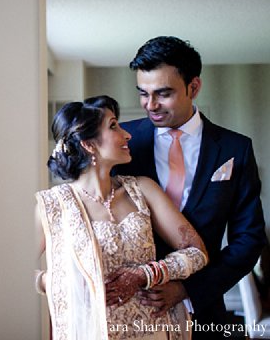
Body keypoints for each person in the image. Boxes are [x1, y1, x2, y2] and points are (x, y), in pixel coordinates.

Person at [114, 36, 267, 338]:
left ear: (194, 87)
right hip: (129, 314)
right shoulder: (121, 143)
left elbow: (249, 238)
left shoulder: (235, 149)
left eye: (163, 93)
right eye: (143, 94)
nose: (150, 105)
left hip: (205, 311)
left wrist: (188, 289)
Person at [35, 95, 208, 340]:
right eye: (113, 125)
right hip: (93, 331)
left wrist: (146, 274)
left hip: (154, 328)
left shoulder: (143, 189)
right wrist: (53, 280)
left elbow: (196, 252)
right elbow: (10, 269)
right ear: (88, 144)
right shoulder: (54, 205)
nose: (127, 135)